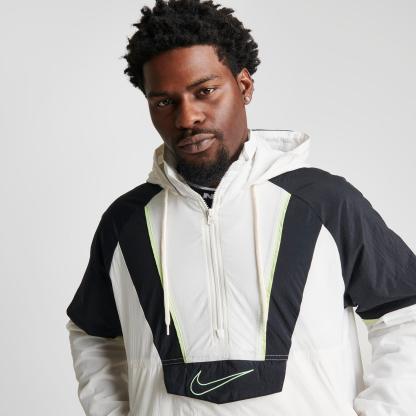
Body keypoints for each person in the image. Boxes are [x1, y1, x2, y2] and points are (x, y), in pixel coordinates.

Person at [65, 1, 416, 415]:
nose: (187, 117)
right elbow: (94, 335)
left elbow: (405, 315)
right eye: (164, 102)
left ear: (244, 86)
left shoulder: (324, 202)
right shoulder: (126, 223)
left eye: (205, 91)